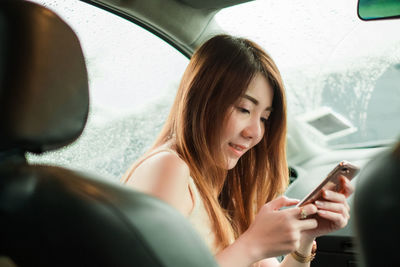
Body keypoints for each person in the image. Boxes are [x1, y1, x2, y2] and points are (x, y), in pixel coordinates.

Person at [121, 34, 353, 267]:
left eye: (264, 118)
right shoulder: (168, 168)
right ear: (204, 99)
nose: (255, 132)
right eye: (244, 109)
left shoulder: (228, 190)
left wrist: (305, 237)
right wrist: (252, 245)